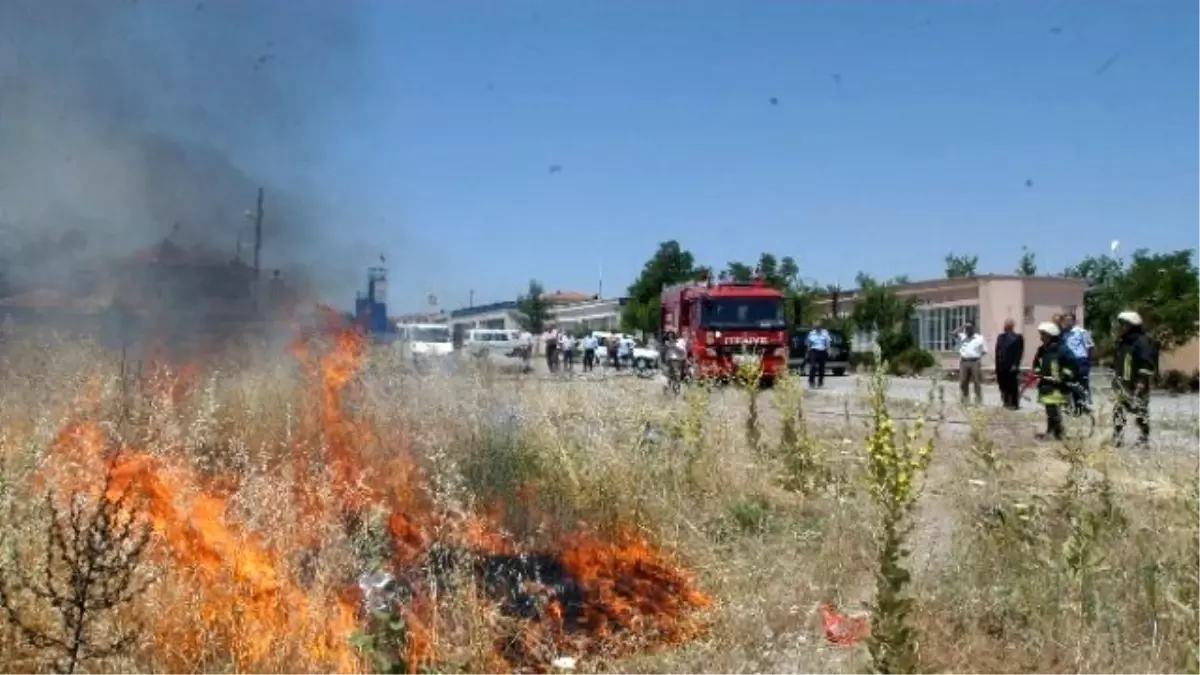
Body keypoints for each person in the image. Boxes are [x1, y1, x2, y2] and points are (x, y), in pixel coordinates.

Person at [1112, 310, 1154, 448]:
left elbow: (1146, 363)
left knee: (1140, 412)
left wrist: (1141, 381)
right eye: (1121, 324)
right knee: (1119, 410)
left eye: (1124, 324)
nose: (1121, 327)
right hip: (1123, 384)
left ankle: (1144, 438)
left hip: (1137, 383)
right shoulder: (1123, 342)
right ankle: (1117, 437)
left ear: (1132, 325)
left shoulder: (1141, 341)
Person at [1031, 321, 1076, 441]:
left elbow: (1072, 366)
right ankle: (1056, 433)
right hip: (1046, 385)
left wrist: (1063, 376)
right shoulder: (1042, 350)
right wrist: (1037, 371)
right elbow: (1036, 363)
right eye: (1041, 335)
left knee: (1053, 411)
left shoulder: (1063, 350)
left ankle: (1056, 433)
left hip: (1059, 386)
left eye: (1043, 335)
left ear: (1051, 336)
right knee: (1050, 410)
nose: (1041, 338)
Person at [1061, 313, 1095, 406]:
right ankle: (1075, 405)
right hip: (1068, 362)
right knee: (1070, 383)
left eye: (1069, 320)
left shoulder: (1081, 332)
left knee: (1082, 383)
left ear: (1074, 321)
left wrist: (1089, 361)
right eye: (1065, 320)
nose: (1067, 322)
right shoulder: (1063, 334)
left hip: (1080, 360)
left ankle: (1086, 404)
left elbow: (1090, 347)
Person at [954, 321, 988, 405]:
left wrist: (977, 357)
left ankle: (978, 402)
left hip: (975, 362)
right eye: (966, 328)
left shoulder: (979, 338)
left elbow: (984, 351)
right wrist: (962, 326)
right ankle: (965, 401)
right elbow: (952, 333)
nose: (967, 329)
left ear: (973, 328)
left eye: (969, 327)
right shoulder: (962, 337)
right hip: (964, 362)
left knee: (977, 382)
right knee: (963, 382)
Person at [994, 318, 1025, 410]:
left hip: (1011, 365)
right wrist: (997, 365)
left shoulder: (1017, 337)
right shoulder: (1000, 337)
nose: (1004, 326)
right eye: (1005, 324)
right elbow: (997, 351)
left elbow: (1019, 352)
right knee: (1002, 384)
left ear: (1011, 326)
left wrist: (1015, 364)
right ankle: (1005, 401)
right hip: (1001, 365)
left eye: (1007, 324)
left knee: (1012, 385)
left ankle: (1014, 403)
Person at [805, 321, 832, 388]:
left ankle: (820, 381)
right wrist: (807, 352)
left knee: (821, 368)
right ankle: (811, 381)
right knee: (813, 366)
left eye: (818, 327)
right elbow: (809, 344)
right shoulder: (811, 333)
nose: (817, 329)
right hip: (813, 351)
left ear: (820, 327)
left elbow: (828, 343)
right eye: (816, 327)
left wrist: (828, 350)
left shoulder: (825, 333)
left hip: (822, 351)